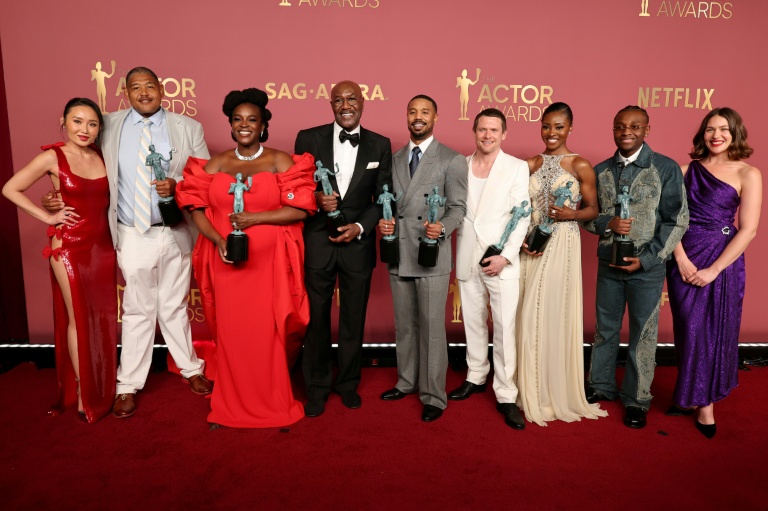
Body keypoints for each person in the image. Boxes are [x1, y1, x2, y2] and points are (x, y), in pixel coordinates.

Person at [43, 67, 212, 418]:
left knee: (175, 304)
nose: (144, 92)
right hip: (132, 231)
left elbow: (204, 177)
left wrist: (178, 186)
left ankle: (191, 368)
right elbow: (78, 160)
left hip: (176, 229)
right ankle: (128, 384)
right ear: (126, 92)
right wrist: (56, 194)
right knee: (137, 308)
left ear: (161, 89)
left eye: (150, 86)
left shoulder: (188, 127)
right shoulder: (107, 125)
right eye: (136, 87)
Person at [176, 88, 315, 428]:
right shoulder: (217, 163)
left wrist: (254, 219)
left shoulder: (280, 160)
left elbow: (300, 209)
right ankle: (231, 401)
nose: (244, 125)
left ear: (263, 125)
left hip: (268, 265)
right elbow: (195, 208)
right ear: (230, 125)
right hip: (227, 262)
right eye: (238, 119)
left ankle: (270, 400)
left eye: (252, 119)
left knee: (265, 332)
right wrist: (218, 240)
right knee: (233, 331)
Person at [3, 98, 117, 423]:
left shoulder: (102, 156)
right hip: (68, 247)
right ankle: (83, 390)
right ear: (63, 122)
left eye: (92, 124)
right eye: (77, 121)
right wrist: (48, 216)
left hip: (103, 248)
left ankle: (102, 383)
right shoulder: (53, 157)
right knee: (78, 318)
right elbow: (10, 188)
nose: (84, 129)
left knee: (100, 319)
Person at [584, 105, 688, 429]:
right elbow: (586, 215)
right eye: (620, 126)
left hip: (647, 267)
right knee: (605, 328)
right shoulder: (600, 170)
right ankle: (601, 385)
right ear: (613, 130)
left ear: (646, 130)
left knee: (643, 333)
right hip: (609, 263)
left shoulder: (665, 168)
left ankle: (636, 399)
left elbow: (677, 219)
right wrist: (607, 222)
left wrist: (649, 258)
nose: (626, 131)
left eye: (634, 126)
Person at [294, 80, 392, 417]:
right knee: (316, 320)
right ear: (331, 105)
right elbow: (295, 187)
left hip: (357, 245)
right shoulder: (308, 138)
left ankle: (348, 384)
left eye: (351, 99)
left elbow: (384, 196)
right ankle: (316, 387)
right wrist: (316, 199)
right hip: (318, 242)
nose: (345, 105)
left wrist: (360, 227)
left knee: (353, 319)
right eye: (338, 100)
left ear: (362, 102)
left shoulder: (380, 144)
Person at [666, 107, 762, 438]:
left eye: (723, 129)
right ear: (702, 134)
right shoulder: (682, 171)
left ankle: (704, 404)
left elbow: (748, 230)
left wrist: (714, 270)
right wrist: (680, 259)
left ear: (735, 133)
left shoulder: (748, 173)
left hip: (722, 260)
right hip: (684, 257)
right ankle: (689, 395)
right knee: (688, 328)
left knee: (712, 329)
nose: (716, 135)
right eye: (710, 129)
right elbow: (669, 220)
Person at [515, 102, 606, 427]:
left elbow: (594, 209)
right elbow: (515, 205)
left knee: (551, 311)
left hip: (562, 242)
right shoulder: (529, 163)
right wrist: (519, 237)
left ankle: (551, 391)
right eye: (546, 126)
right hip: (531, 244)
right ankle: (528, 387)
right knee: (526, 313)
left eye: (558, 127)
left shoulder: (580, 164)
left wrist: (573, 214)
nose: (551, 133)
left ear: (570, 128)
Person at [378, 95, 468, 422]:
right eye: (413, 111)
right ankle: (406, 381)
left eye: (425, 112)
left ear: (435, 117)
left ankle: (433, 395)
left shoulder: (451, 159)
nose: (418, 117)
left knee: (431, 328)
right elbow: (388, 202)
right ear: (406, 116)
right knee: (405, 324)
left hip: (431, 253)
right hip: (399, 250)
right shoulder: (394, 158)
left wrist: (441, 228)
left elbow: (458, 207)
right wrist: (385, 221)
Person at [448, 108, 531, 430]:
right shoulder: (460, 164)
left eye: (494, 130)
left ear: (504, 134)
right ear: (474, 131)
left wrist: (506, 256)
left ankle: (506, 393)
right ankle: (475, 375)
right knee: (472, 322)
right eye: (482, 129)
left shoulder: (516, 167)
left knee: (504, 328)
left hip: (500, 260)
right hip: (467, 255)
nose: (487, 135)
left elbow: (522, 215)